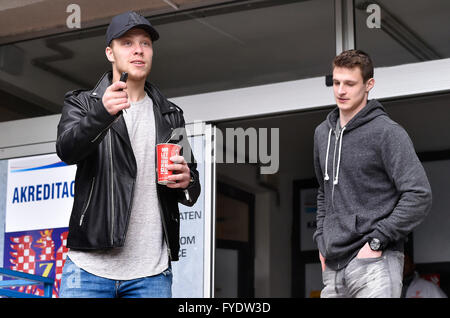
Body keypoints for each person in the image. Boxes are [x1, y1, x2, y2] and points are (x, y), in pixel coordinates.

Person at [56, 11, 200, 298]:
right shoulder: (83, 104)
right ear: (110, 52)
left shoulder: (171, 115)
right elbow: (67, 150)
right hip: (89, 269)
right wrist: (101, 114)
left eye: (145, 43)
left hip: (151, 274)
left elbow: (191, 184)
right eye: (127, 43)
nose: (138, 50)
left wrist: (187, 181)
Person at [312, 49, 432, 298]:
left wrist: (378, 241)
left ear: (369, 85)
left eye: (349, 83)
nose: (341, 91)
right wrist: (321, 240)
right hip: (333, 266)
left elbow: (419, 194)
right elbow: (323, 192)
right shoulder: (322, 134)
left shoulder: (387, 132)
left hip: (375, 261)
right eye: (336, 83)